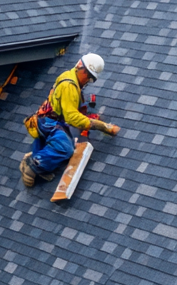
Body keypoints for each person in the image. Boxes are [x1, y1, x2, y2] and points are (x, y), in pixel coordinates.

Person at [21, 54, 120, 187]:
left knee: (63, 138)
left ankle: (36, 156)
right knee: (65, 148)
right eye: (89, 77)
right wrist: (101, 126)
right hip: (49, 123)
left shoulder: (70, 76)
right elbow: (71, 117)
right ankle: (35, 165)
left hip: (44, 120)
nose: (87, 81)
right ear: (82, 69)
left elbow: (70, 106)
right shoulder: (69, 85)